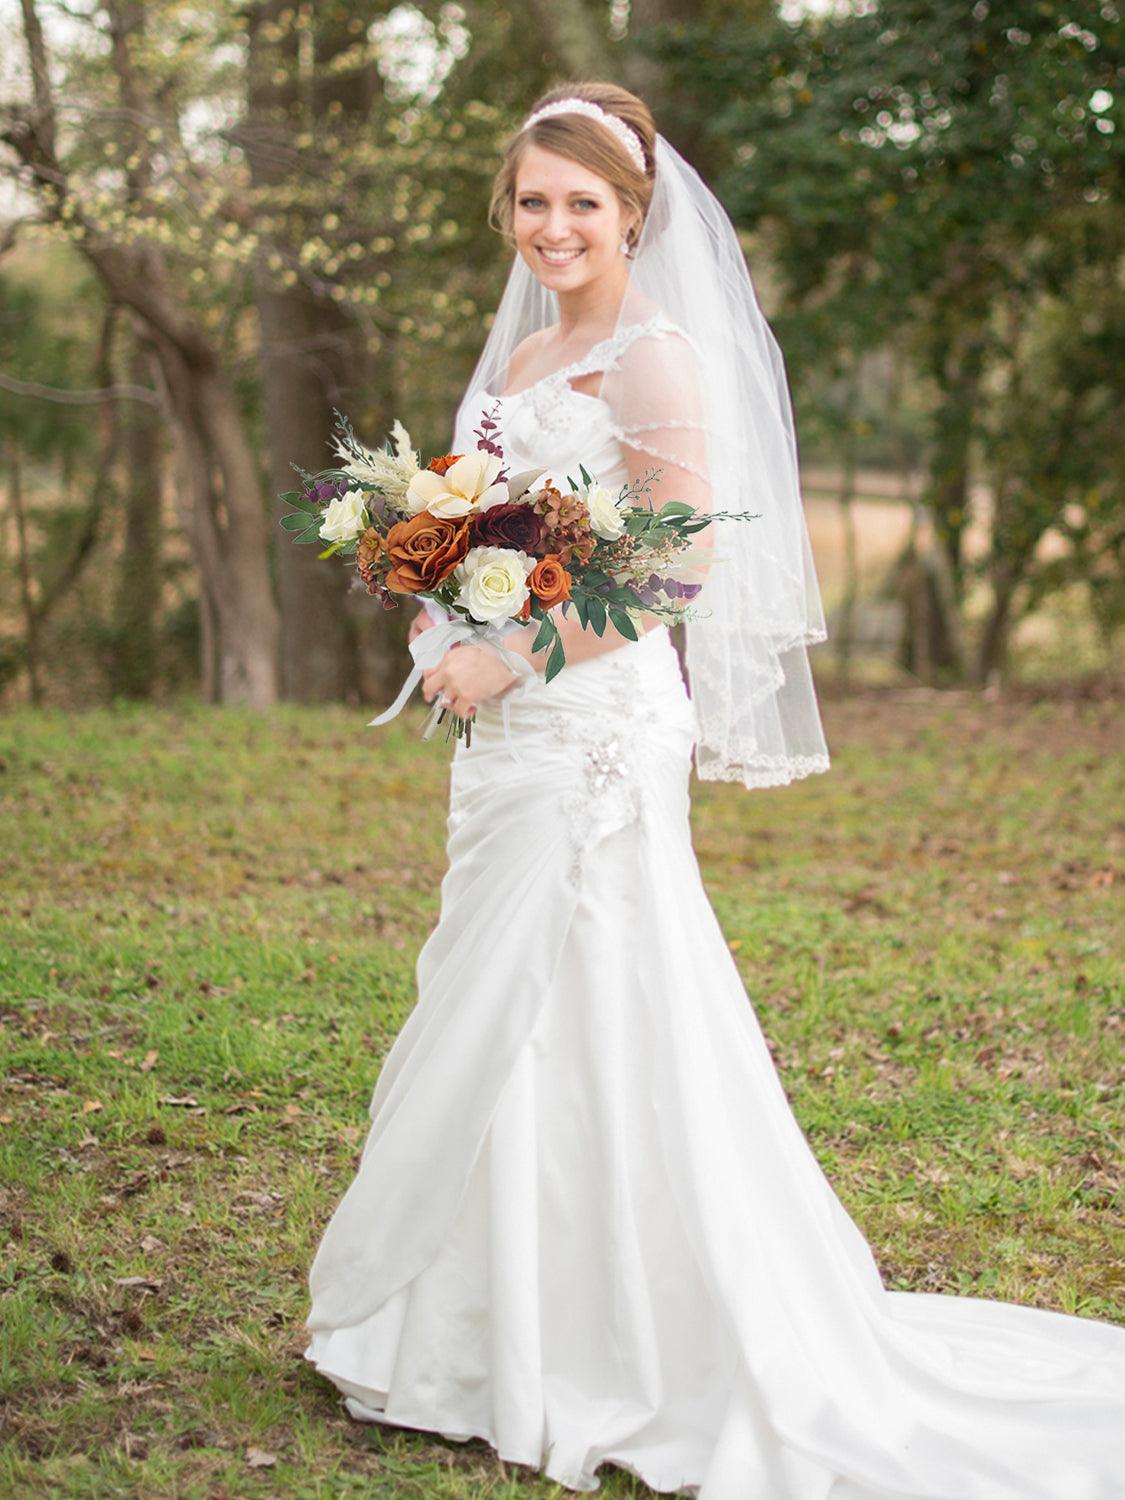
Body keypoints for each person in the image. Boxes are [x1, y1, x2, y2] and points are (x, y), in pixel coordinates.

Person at [303, 83, 1125, 1498]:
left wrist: (520, 658)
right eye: (532, 201)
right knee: (496, 987)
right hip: (509, 731)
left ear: (634, 214)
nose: (553, 227)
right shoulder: (522, 355)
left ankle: (627, 1332)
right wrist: (440, 615)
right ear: (507, 211)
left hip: (598, 727)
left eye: (582, 204)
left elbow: (677, 574)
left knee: (600, 990)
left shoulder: (650, 359)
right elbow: (467, 526)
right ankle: (474, 1319)